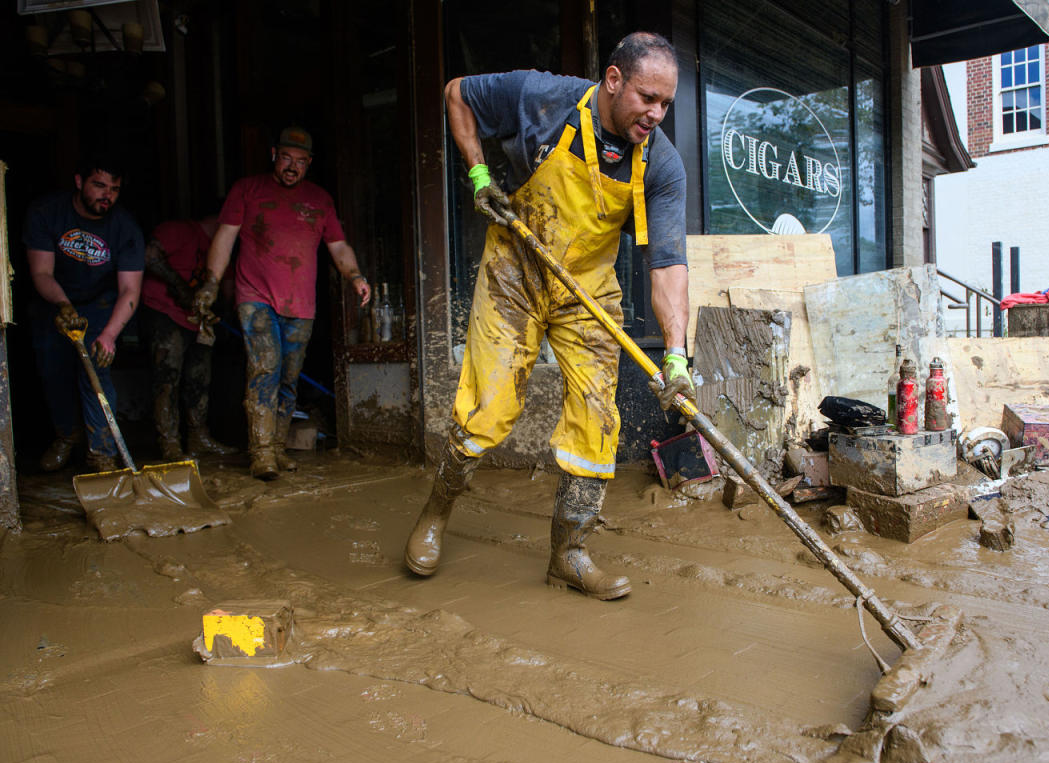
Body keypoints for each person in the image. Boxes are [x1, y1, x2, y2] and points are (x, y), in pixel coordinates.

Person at [404, 32, 696, 600]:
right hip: (516, 268)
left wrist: (677, 357)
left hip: (586, 290)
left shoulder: (661, 163)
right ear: (613, 81)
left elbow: (667, 266)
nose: (655, 114)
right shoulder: (542, 98)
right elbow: (456, 93)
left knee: (596, 419)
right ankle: (436, 513)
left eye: (666, 103)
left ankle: (569, 553)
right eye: (646, 98)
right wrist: (480, 176)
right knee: (488, 408)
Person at [193, 127, 370, 480]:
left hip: (301, 305)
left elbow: (338, 246)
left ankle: (275, 447)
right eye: (287, 158)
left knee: (289, 377)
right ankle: (260, 454)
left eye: (301, 162)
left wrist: (355, 277)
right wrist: (211, 284)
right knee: (265, 367)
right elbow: (225, 239)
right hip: (255, 298)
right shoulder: (247, 190)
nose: (293, 167)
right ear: (274, 154)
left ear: (309, 164)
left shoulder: (320, 200)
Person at [25, 154, 144, 473]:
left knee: (97, 374)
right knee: (55, 372)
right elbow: (41, 273)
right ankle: (67, 435)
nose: (107, 195)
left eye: (115, 189)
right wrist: (64, 306)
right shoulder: (47, 213)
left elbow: (130, 290)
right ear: (79, 182)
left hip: (100, 305)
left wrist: (109, 335)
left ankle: (102, 454)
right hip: (53, 300)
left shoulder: (125, 227)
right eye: (99, 185)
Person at [140, 215, 238, 459]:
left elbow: (228, 287)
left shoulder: (225, 248)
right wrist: (180, 286)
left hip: (199, 321)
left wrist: (226, 316)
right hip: (166, 313)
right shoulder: (178, 230)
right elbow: (149, 255)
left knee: (199, 379)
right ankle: (170, 443)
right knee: (167, 377)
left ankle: (198, 438)